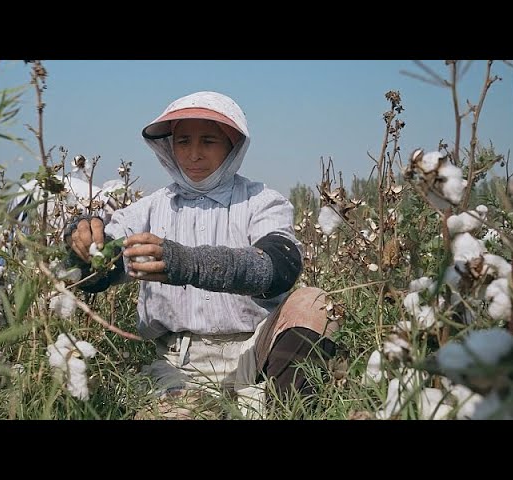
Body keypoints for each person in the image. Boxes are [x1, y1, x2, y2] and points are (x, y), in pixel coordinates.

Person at [64, 91, 338, 419]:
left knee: (315, 304)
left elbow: (278, 267)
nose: (193, 154)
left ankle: (284, 409)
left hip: (256, 351)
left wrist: (188, 263)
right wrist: (81, 243)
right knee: (180, 412)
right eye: (182, 142)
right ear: (168, 146)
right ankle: (245, 406)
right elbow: (98, 271)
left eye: (208, 141)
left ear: (232, 145)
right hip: (180, 365)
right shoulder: (148, 210)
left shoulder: (262, 201)